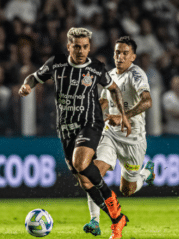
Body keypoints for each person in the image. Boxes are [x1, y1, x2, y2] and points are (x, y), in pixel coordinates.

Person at [18, 27, 131, 239]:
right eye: (77, 47)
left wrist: (122, 114)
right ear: (69, 46)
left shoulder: (96, 68)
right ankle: (117, 218)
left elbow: (114, 88)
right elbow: (35, 77)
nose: (81, 51)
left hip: (90, 123)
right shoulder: (56, 63)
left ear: (90, 47)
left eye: (85, 47)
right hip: (65, 129)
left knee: (81, 164)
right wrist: (27, 86)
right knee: (84, 181)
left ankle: (113, 206)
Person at [82, 36, 155, 238]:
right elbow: (104, 103)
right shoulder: (110, 74)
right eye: (117, 52)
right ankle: (95, 221)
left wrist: (124, 116)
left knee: (127, 190)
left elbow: (147, 101)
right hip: (111, 134)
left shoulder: (137, 74)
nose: (120, 56)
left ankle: (147, 174)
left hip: (133, 139)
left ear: (133, 57)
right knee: (92, 174)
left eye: (124, 53)